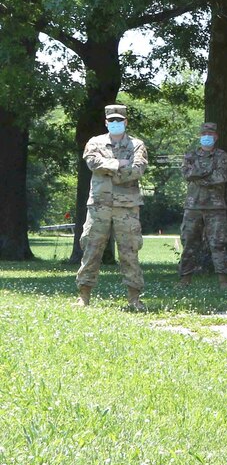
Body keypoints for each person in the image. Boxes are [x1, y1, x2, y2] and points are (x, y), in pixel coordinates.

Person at [75, 104, 149, 312]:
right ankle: (84, 295)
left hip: (127, 207)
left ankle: (134, 297)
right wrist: (118, 164)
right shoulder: (95, 142)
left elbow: (137, 169)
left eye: (120, 120)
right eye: (112, 121)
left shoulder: (136, 145)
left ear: (125, 122)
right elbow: (92, 163)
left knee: (130, 250)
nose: (116, 124)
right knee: (92, 248)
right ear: (106, 122)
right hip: (99, 204)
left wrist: (108, 169)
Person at [178, 122, 227, 290]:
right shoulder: (190, 155)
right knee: (189, 243)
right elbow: (187, 174)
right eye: (204, 134)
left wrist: (198, 175)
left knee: (218, 244)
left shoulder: (222, 156)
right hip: (193, 207)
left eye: (210, 134)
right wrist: (207, 173)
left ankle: (224, 282)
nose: (207, 137)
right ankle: (184, 279)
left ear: (216, 137)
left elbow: (221, 177)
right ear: (200, 136)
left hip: (215, 208)